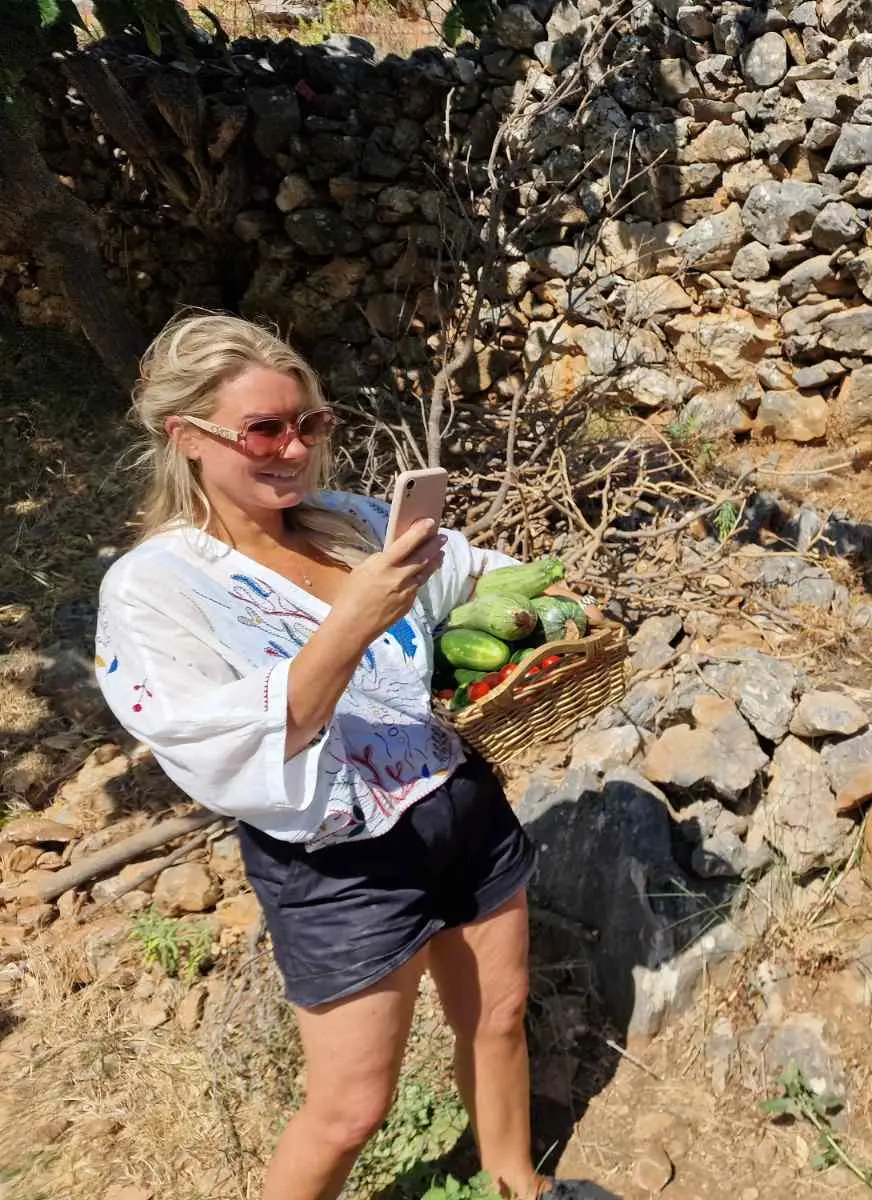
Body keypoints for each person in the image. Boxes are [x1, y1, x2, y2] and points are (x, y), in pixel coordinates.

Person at [95, 311, 595, 1200]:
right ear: (187, 438)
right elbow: (229, 746)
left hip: (460, 802)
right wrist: (354, 617)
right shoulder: (156, 589)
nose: (293, 448)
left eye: (310, 423)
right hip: (340, 862)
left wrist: (537, 607)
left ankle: (518, 1184)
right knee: (350, 1109)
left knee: (501, 1020)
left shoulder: (353, 523)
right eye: (265, 429)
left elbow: (471, 578)